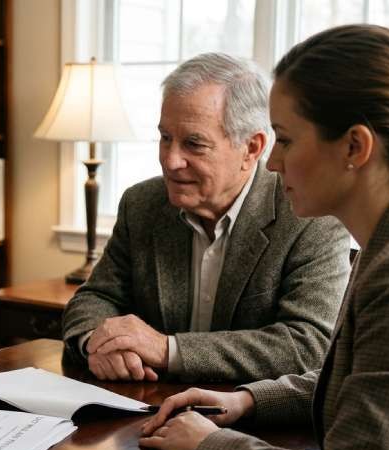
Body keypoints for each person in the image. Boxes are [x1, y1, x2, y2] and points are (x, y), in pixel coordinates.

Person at [139, 24, 389, 450]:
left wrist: (212, 446)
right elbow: (364, 387)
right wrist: (248, 399)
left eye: (285, 139)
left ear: (354, 147)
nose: (272, 162)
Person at [62, 53, 350, 383]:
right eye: (165, 137)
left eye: (194, 144)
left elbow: (308, 345)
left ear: (252, 148)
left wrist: (167, 349)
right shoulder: (142, 204)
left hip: (250, 421)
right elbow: (94, 298)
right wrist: (99, 345)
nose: (170, 161)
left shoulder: (310, 217)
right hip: (146, 409)